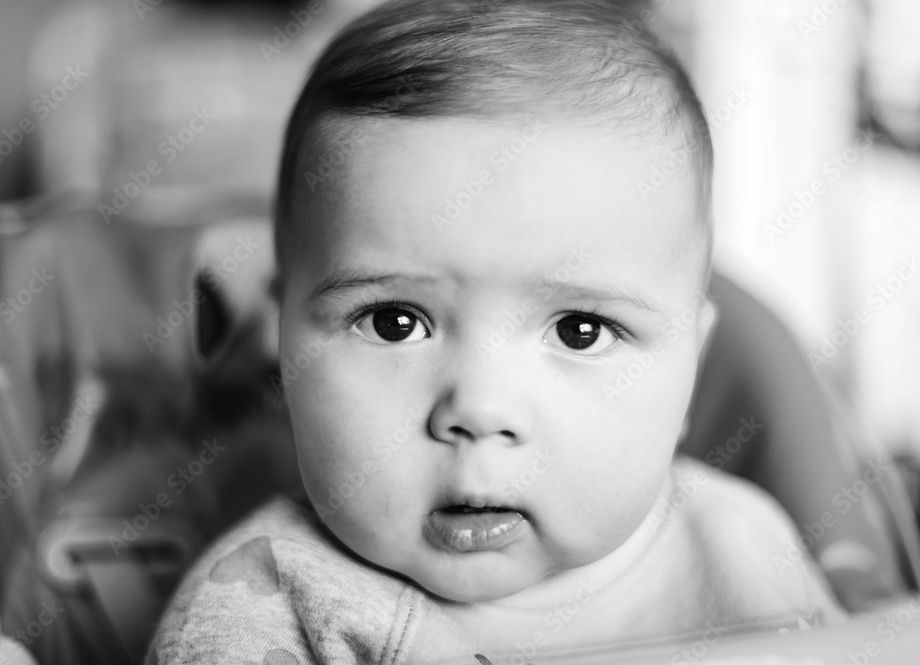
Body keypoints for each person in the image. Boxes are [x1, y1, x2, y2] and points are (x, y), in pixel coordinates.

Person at [147, 1, 846, 662]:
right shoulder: (264, 607)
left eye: (580, 330)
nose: (478, 408)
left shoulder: (746, 551)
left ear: (695, 361)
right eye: (395, 322)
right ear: (282, 340)